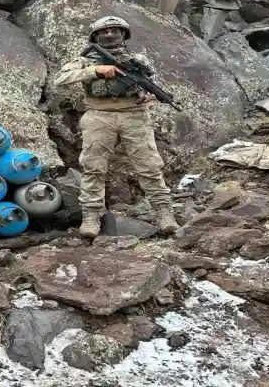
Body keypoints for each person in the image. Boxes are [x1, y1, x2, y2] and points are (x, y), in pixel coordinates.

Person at [53, 16, 180, 239]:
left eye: (115, 31)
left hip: (135, 115)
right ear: (95, 36)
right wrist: (96, 71)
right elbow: (60, 79)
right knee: (93, 167)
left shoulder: (137, 60)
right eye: (104, 31)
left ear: (124, 34)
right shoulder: (86, 60)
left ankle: (164, 213)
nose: (110, 35)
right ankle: (91, 216)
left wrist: (147, 95)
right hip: (99, 115)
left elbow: (148, 82)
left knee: (149, 166)